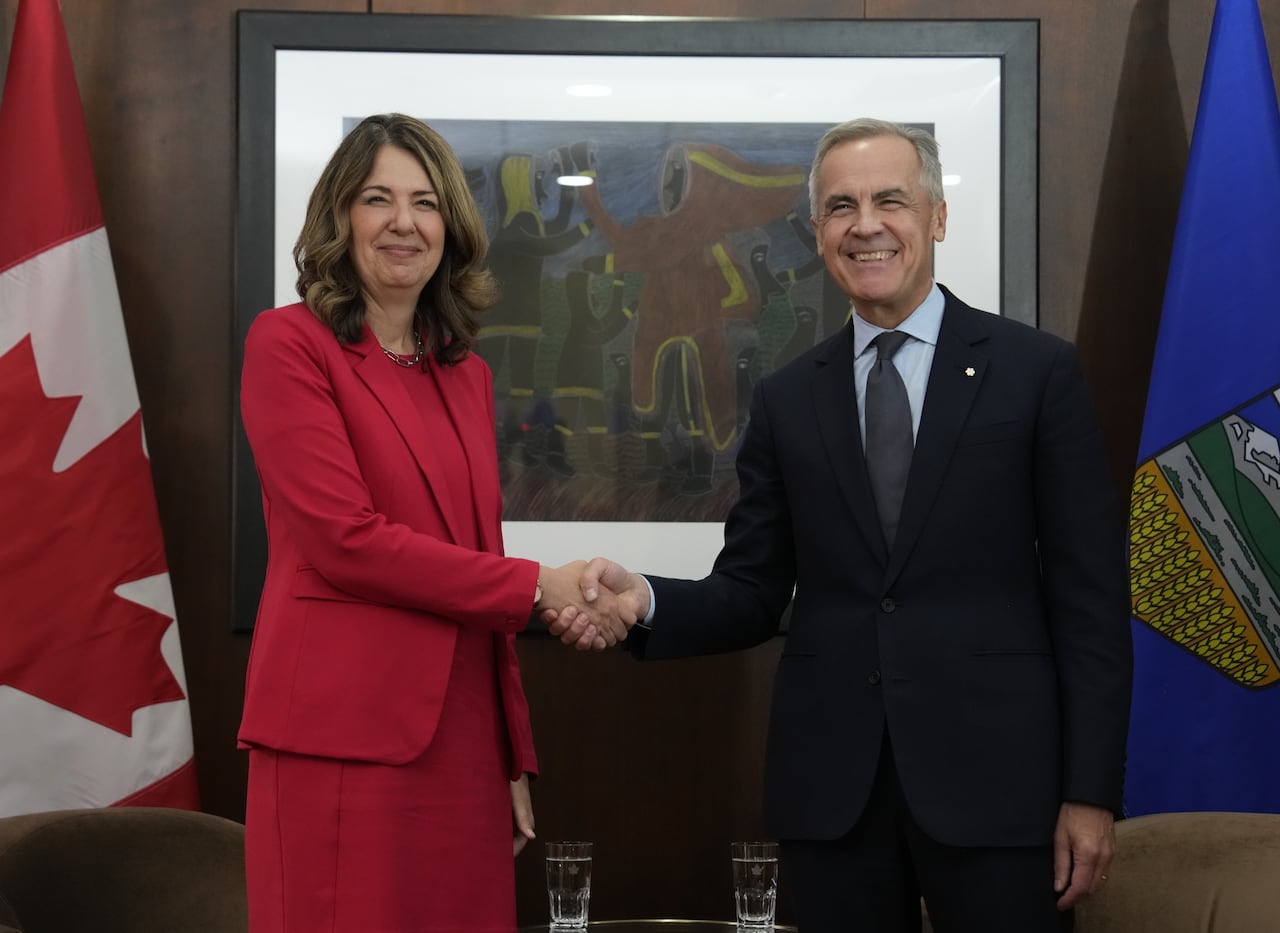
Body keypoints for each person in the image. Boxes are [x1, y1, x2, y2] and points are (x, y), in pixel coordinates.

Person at [548, 118, 1133, 932]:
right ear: (817, 230)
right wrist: (640, 597)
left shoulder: (1036, 373)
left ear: (935, 215)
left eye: (890, 200)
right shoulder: (788, 399)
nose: (865, 224)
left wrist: (1091, 789)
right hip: (835, 798)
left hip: (1002, 792)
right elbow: (752, 588)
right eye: (840, 206)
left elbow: (1091, 600)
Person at [238, 113, 624, 933]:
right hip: (340, 741)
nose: (403, 222)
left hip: (460, 744)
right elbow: (347, 541)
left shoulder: (465, 372)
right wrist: (540, 586)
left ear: (451, 225)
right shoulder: (288, 345)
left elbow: (475, 557)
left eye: (424, 201)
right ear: (340, 217)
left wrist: (510, 754)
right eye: (378, 198)